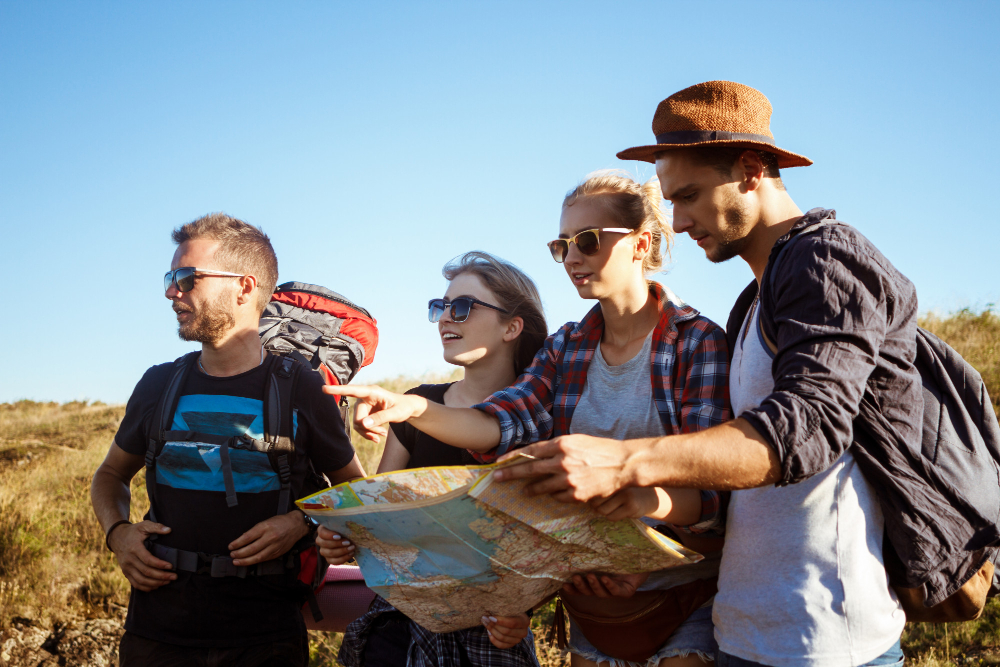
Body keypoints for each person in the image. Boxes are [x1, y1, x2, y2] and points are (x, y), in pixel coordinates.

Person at [491, 81, 917, 667]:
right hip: (745, 629)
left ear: (750, 169)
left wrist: (623, 462)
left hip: (828, 638)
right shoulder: (752, 304)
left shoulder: (826, 259)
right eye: (670, 200)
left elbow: (806, 429)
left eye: (688, 195)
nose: (678, 221)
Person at [331, 172, 732, 667]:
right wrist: (414, 408)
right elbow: (501, 422)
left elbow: (712, 491)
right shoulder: (567, 346)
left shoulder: (697, 342)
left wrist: (628, 504)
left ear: (640, 244)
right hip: (594, 602)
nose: (572, 257)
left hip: (683, 595)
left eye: (587, 240)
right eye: (561, 245)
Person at [90, 213, 365, 667]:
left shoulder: (301, 388)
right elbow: (110, 476)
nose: (170, 291)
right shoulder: (158, 384)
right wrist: (118, 535)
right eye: (170, 277)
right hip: (156, 631)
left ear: (243, 286)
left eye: (186, 277)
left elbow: (357, 492)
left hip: (266, 636)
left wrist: (304, 522)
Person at [320, 251, 548, 667]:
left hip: (492, 641)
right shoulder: (416, 404)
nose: (445, 318)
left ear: (512, 326)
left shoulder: (539, 421)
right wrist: (340, 538)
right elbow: (375, 518)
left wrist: (520, 615)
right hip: (397, 633)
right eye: (440, 307)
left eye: (462, 308)